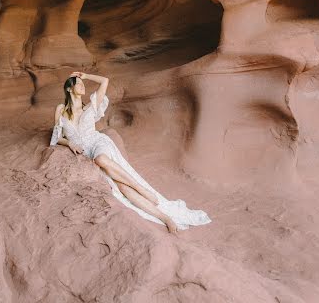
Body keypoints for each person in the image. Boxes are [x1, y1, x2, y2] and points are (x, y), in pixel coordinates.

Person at [49, 71, 211, 234]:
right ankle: (165, 218)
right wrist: (70, 143)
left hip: (98, 143)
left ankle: (143, 190)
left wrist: (85, 76)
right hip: (86, 151)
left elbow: (105, 81)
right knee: (122, 190)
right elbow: (57, 137)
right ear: (69, 89)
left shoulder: (90, 106)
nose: (82, 85)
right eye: (77, 83)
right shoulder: (61, 110)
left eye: (81, 83)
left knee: (101, 160)